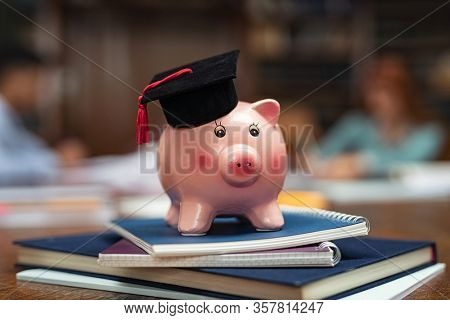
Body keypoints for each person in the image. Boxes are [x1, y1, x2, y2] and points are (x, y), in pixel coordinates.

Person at [313, 54, 445, 179]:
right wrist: (331, 166)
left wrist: (361, 163)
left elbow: (409, 162)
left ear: (406, 93)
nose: (377, 99)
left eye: (387, 91)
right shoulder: (356, 124)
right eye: (372, 91)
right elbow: (321, 155)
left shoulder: (429, 132)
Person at [0, 46, 86, 186]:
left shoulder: (10, 116)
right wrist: (56, 160)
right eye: (36, 80)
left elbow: (29, 149)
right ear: (15, 78)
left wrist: (56, 156)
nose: (41, 90)